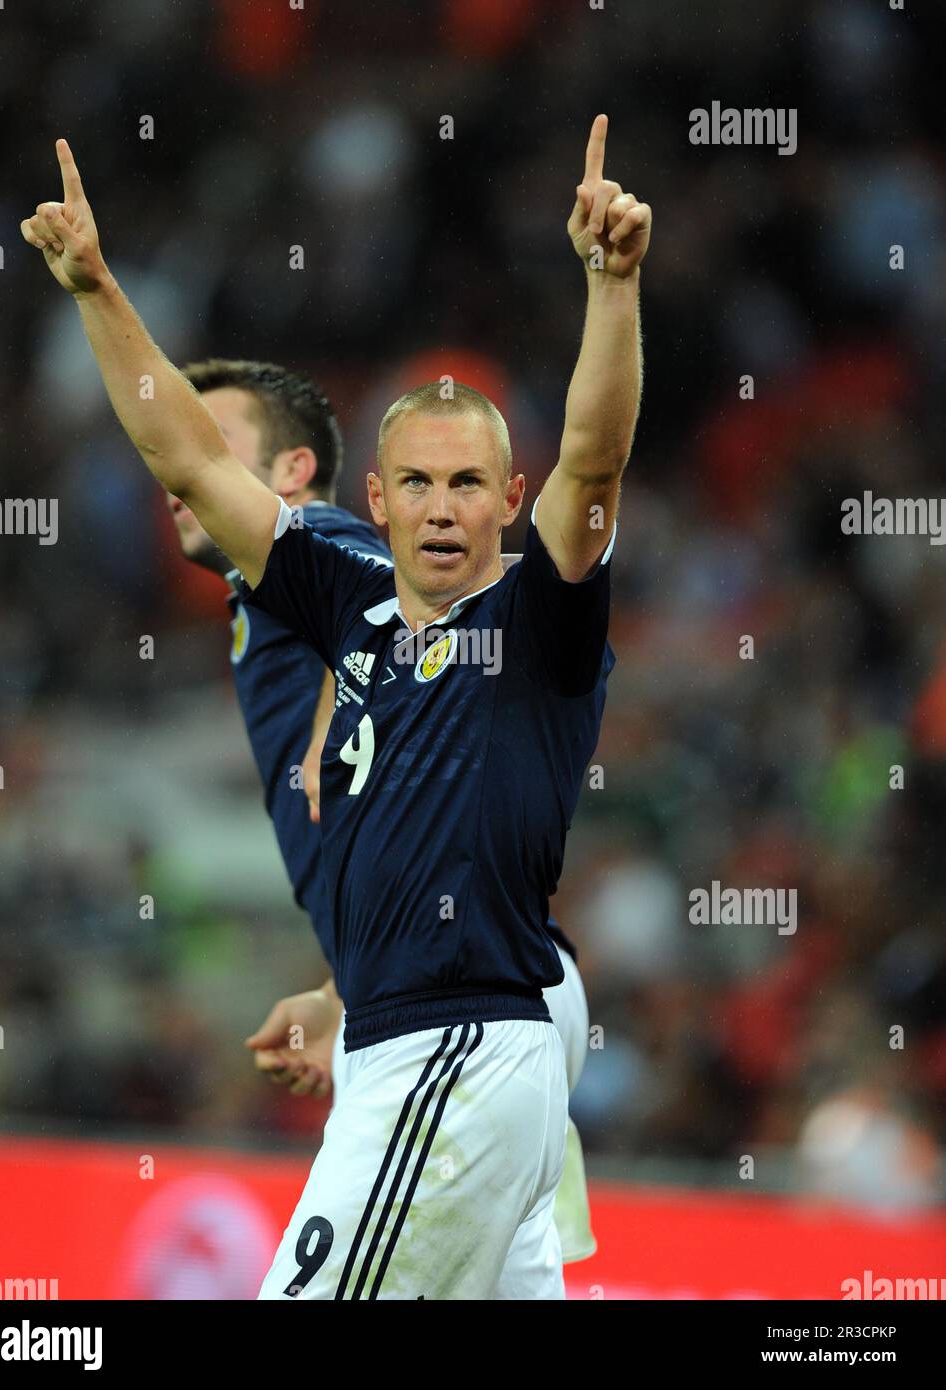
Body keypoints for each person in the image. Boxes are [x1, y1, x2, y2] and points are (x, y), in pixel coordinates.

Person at [20, 113, 648, 1298]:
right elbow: (192, 462)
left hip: (453, 1044)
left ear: (508, 499)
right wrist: (97, 287)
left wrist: (610, 284)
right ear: (377, 497)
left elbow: (595, 459)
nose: (443, 506)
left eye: (469, 483)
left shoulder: (535, 618)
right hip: (411, 1041)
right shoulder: (341, 585)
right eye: (417, 481)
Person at [172, 358, 599, 1267]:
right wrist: (340, 990)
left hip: (465, 1008)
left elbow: (414, 606)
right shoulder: (287, 599)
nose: (182, 477)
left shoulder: (337, 551)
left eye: (221, 441)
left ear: (292, 473)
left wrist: (347, 690)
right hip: (467, 998)